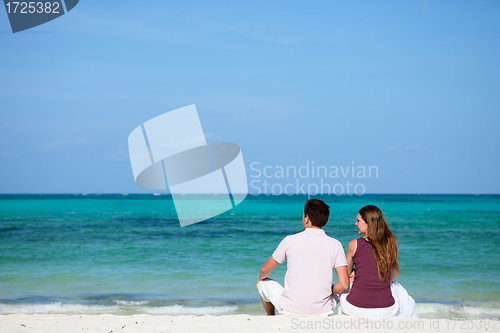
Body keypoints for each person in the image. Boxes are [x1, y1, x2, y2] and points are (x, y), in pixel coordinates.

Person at [256, 198, 349, 316]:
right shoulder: (336, 244)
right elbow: (344, 284)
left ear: (307, 219)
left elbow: (265, 269)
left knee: (263, 283)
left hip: (290, 309)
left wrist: (260, 279)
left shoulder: (289, 240)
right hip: (322, 311)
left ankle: (271, 316)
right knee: (346, 285)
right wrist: (327, 290)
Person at [339, 205, 416, 318]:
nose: (356, 223)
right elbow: (393, 277)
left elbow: (346, 276)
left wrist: (356, 273)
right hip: (386, 310)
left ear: (368, 223)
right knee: (396, 287)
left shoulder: (354, 244)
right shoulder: (391, 245)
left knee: (348, 285)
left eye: (358, 221)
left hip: (355, 309)